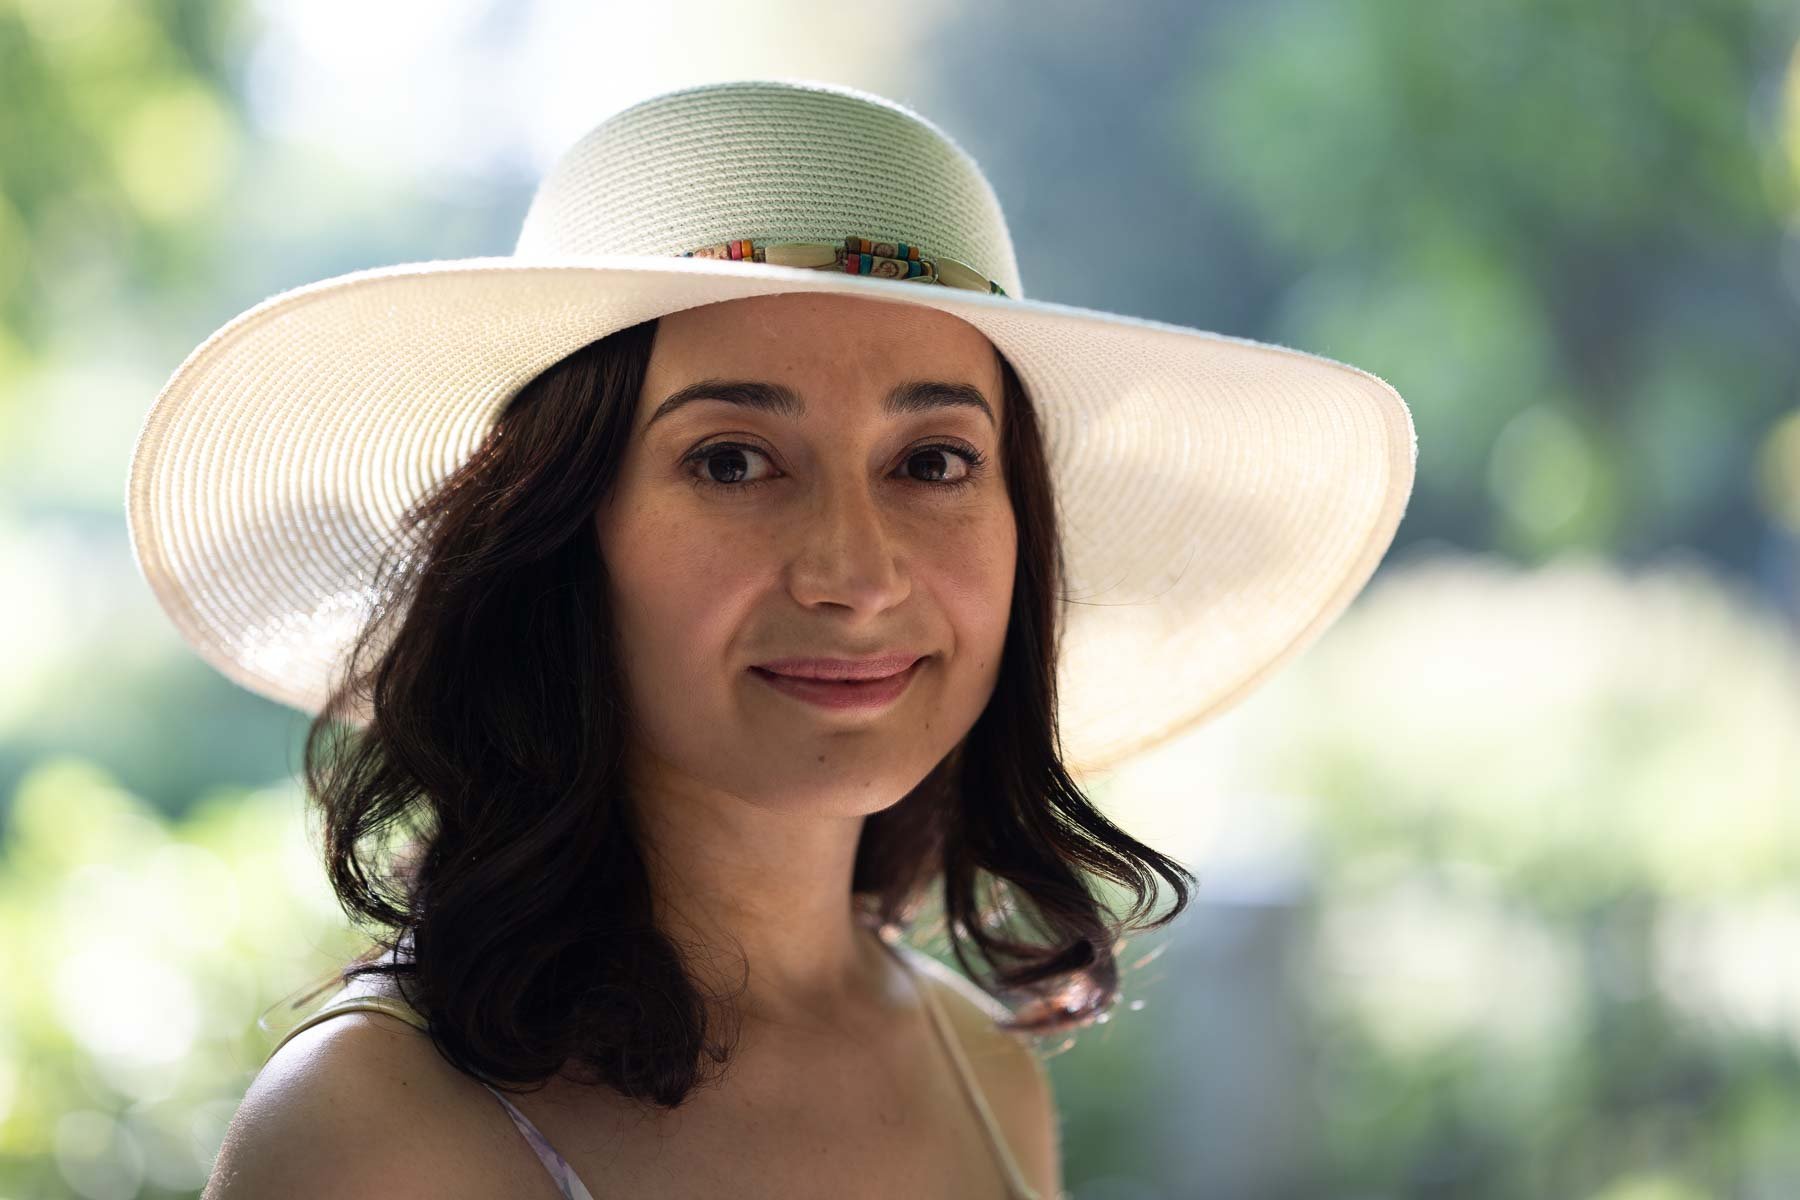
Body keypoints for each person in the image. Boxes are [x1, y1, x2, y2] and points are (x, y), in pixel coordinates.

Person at [127, 79, 1417, 1199]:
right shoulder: (383, 1135)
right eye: (734, 459)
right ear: (564, 536)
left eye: (934, 459)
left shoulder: (985, 1071)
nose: (855, 572)